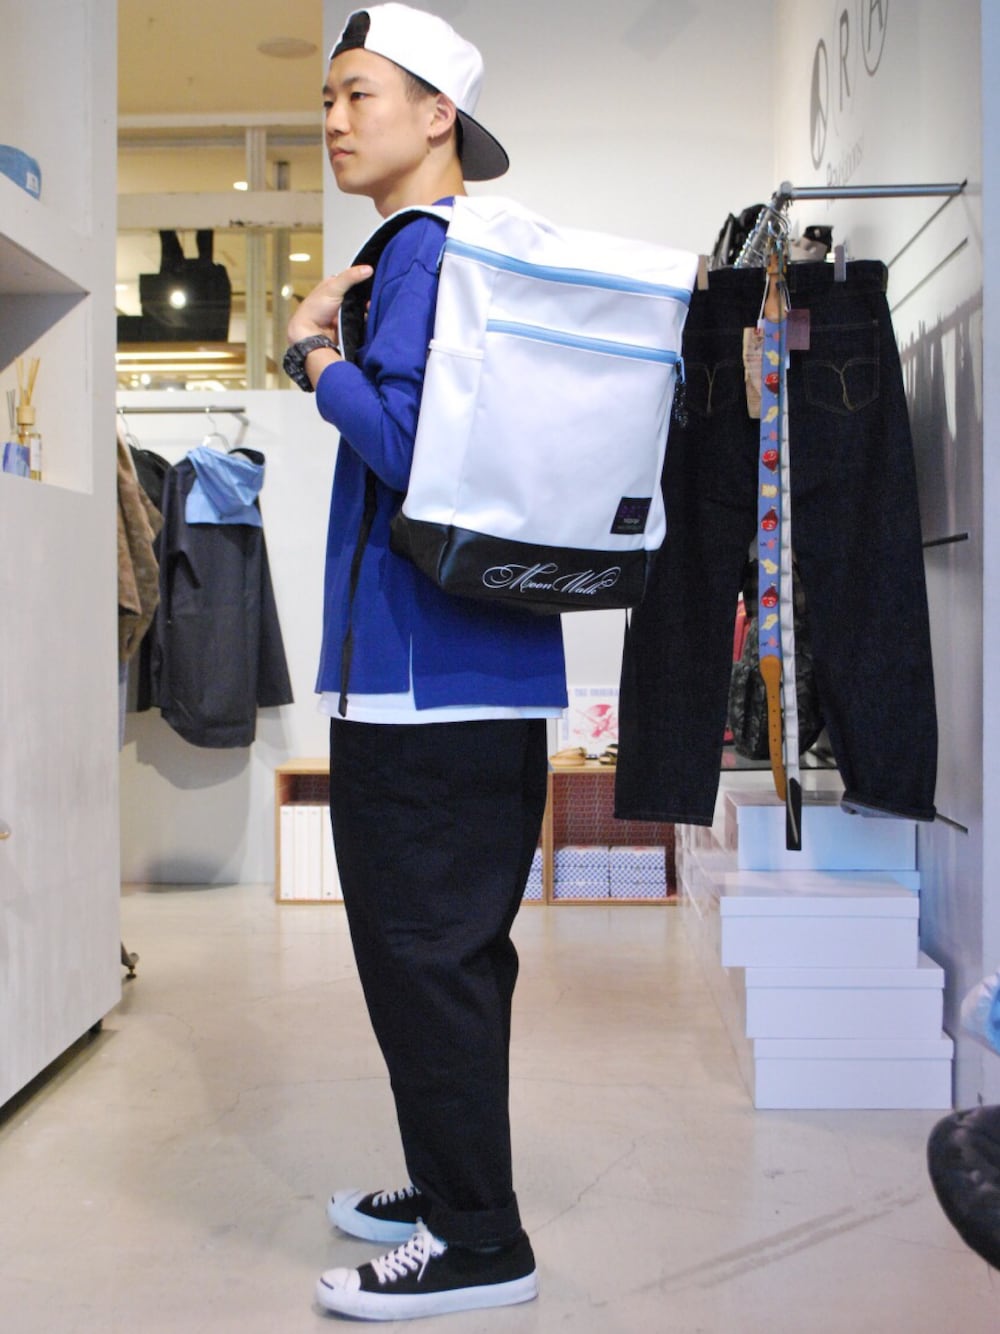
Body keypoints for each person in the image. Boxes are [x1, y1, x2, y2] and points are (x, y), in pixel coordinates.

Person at [284, 4, 567, 1322]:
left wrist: (312, 357)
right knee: (449, 955)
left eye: (360, 94)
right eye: (328, 100)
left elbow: (407, 445)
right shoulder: (476, 250)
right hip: (481, 666)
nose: (335, 121)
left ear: (437, 113)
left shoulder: (417, 250)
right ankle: (452, 1190)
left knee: (423, 957)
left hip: (420, 680)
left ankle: (479, 1243)